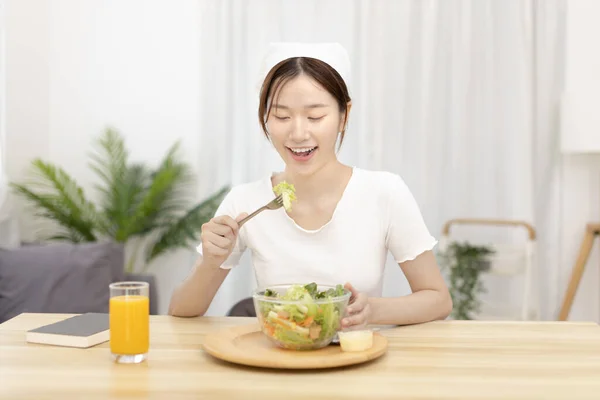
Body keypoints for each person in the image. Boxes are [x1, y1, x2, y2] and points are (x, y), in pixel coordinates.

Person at [169, 42, 452, 328]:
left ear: (345, 115)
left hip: (357, 360)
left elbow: (438, 299)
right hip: (279, 362)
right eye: (281, 116)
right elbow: (182, 311)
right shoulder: (245, 202)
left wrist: (373, 311)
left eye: (315, 116)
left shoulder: (384, 192)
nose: (298, 132)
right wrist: (210, 260)